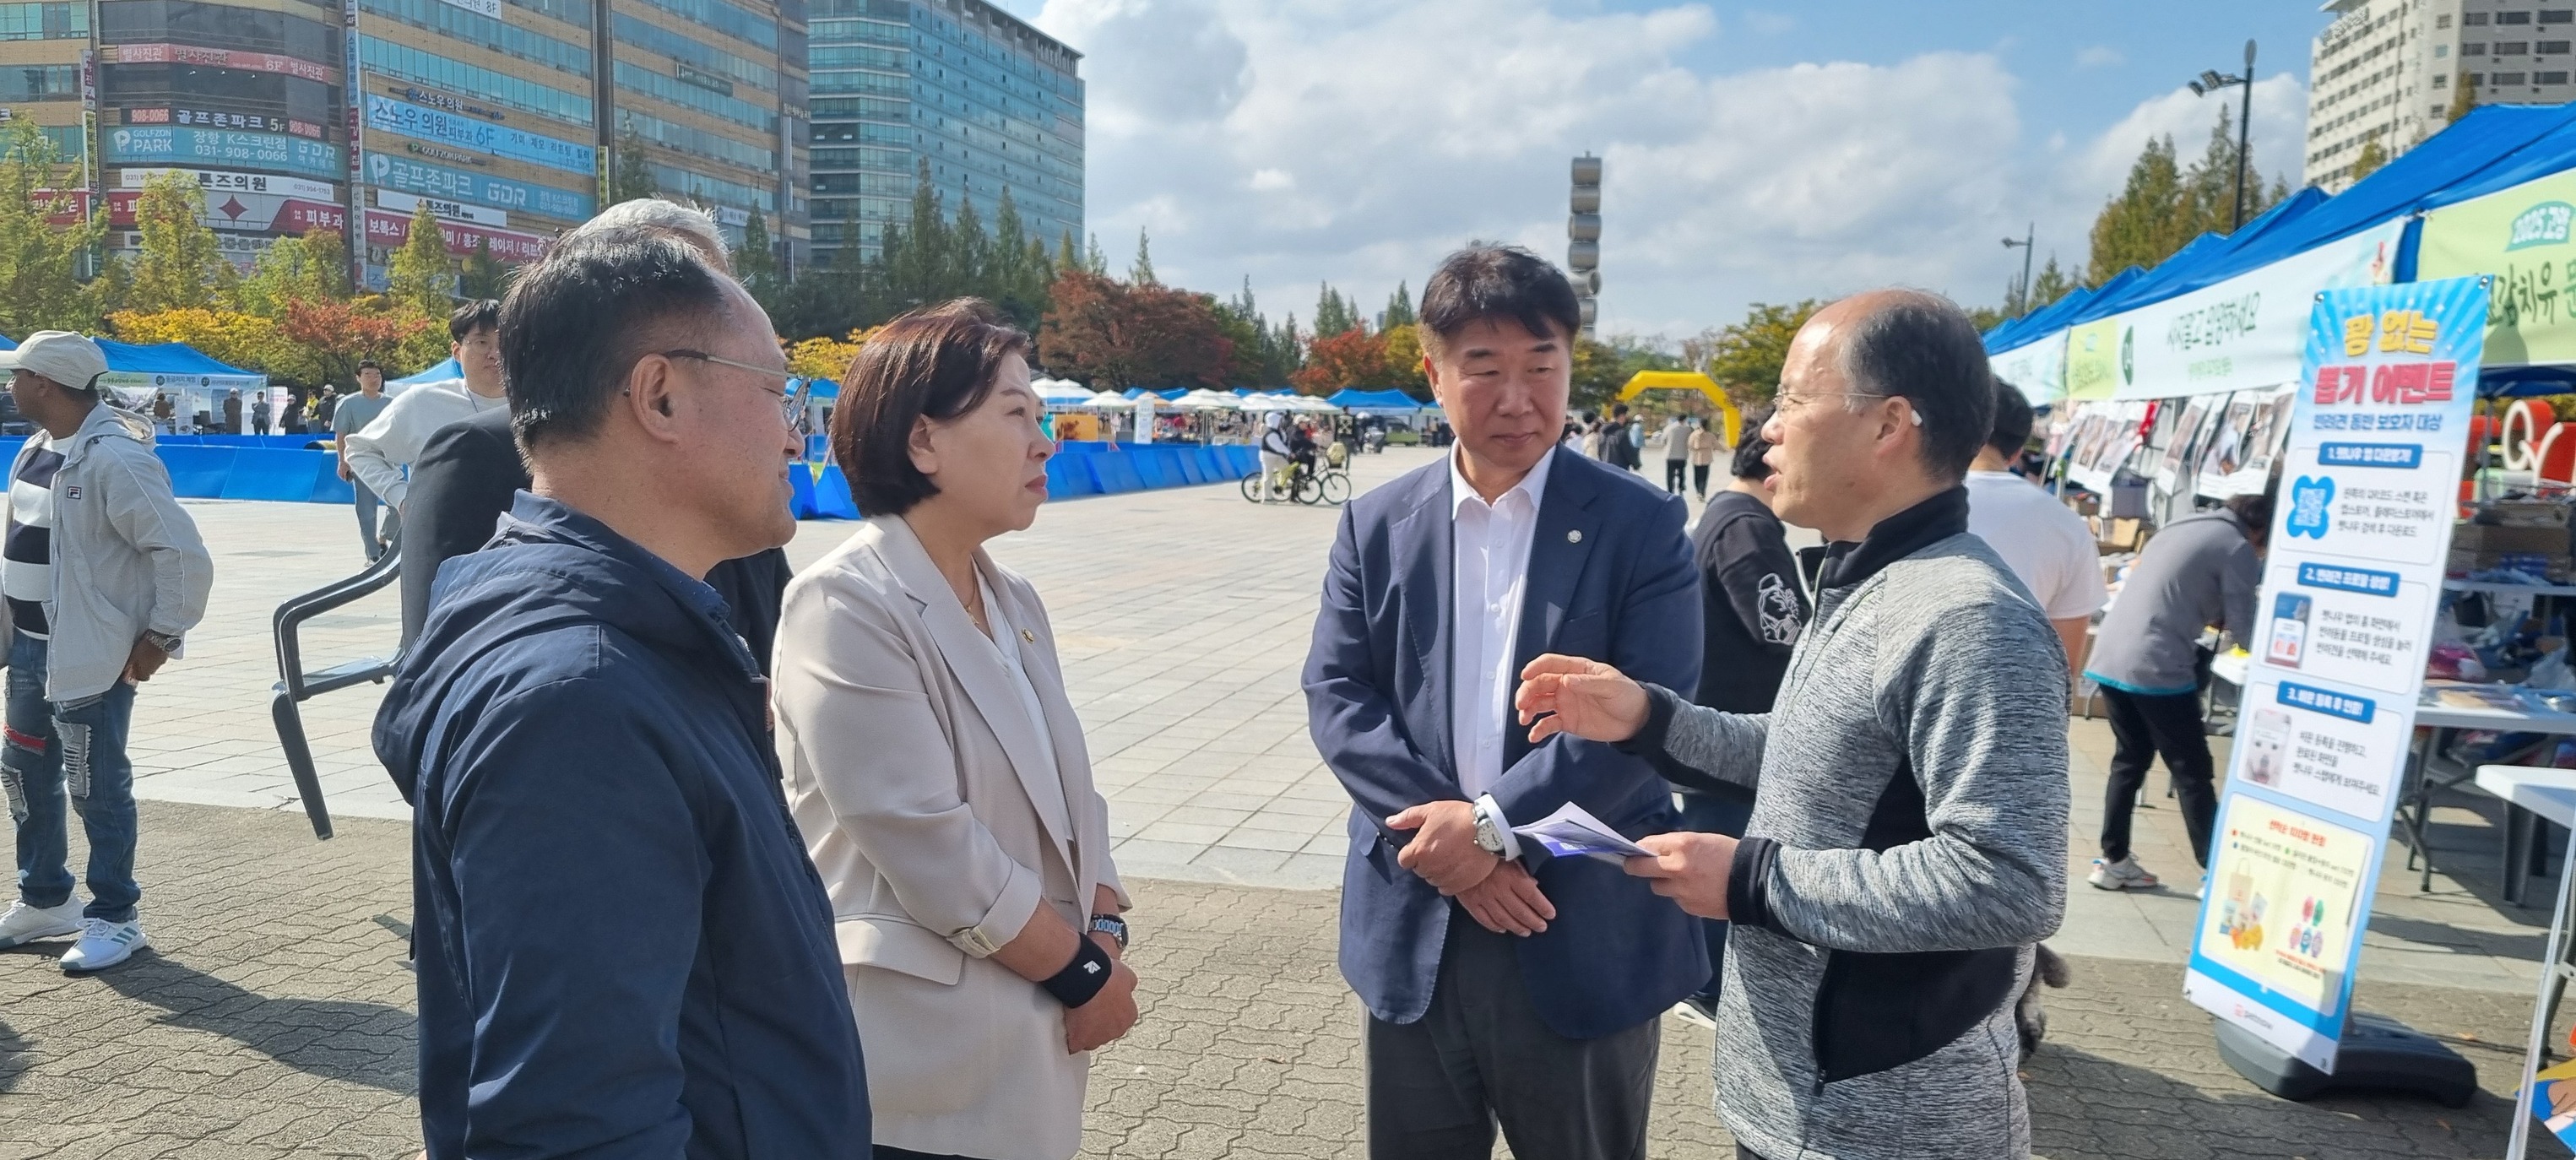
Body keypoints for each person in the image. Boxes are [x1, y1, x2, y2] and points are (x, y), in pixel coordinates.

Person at [1514, 290, 2067, 1160]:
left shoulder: (1969, 617)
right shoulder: (1865, 578)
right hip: (1798, 1099)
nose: (1767, 428)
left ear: (1889, 424)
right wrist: (1649, 718)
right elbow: (1811, 754)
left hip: (1887, 1118)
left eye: (1793, 399)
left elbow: (2010, 882)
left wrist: (1752, 880)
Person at [373, 230, 870, 1157]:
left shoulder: (629, 638)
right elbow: (575, 1125)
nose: (796, 433)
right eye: (777, 392)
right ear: (660, 394)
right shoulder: (579, 706)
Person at [1304, 245, 1704, 1160]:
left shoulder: (1640, 523)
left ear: (1569, 366)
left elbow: (1651, 711)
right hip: (1415, 914)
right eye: (1484, 369)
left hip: (1579, 919)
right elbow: (1339, 694)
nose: (1517, 398)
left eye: (1541, 367)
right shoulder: (1378, 522)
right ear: (1434, 375)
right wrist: (1450, 846)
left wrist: (1488, 829)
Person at [777, 300, 1136, 1160]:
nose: (1044, 443)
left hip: (1033, 1041)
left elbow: (1073, 799)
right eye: (1016, 414)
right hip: (918, 1073)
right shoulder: (845, 603)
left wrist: (1108, 927)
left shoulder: (1014, 599)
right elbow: (925, 838)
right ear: (922, 440)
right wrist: (1084, 971)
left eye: (1041, 416)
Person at [394, 201, 789, 653]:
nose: (705, 302)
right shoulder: (478, 454)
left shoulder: (743, 485)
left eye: (715, 287)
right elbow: (438, 652)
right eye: (663, 278)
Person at [0, 332, 213, 972]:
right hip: (31, 652)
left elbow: (182, 553)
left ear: (44, 383)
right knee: (23, 772)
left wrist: (161, 637)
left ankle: (117, 917)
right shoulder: (37, 448)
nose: (10, 385)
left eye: (18, 375)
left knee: (94, 785)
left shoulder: (116, 458)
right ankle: (46, 899)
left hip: (88, 656)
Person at [1668, 411, 1807, 1020]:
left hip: (1714, 721)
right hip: (1734, 729)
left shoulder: (1724, 516)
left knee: (1714, 847)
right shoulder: (1748, 527)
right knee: (1722, 855)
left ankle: (1701, 977)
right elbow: (1780, 629)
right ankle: (1705, 984)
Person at [2080, 487, 2270, 895]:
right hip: (2157, 665)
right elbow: (2245, 627)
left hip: (2111, 655)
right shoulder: (2236, 546)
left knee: (2129, 760)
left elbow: (2171, 591)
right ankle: (2216, 872)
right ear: (2261, 530)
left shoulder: (2179, 526)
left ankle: (2113, 861)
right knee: (2192, 771)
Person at [1966, 377, 2107, 678]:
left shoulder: (1903, 505)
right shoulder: (2067, 525)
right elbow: (2064, 664)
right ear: (2017, 452)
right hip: (2014, 694)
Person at [341, 301, 507, 520]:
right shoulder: (421, 402)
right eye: (482, 342)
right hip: (444, 533)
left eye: (505, 342)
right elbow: (360, 450)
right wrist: (402, 499)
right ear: (457, 351)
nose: (495, 354)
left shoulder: (536, 405)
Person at [333, 360, 394, 563]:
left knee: (398, 505)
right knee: (367, 512)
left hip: (387, 461)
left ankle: (384, 536)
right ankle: (373, 555)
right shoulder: (348, 404)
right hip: (361, 462)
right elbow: (341, 435)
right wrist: (342, 461)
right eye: (368, 375)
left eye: (377, 375)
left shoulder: (391, 403)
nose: (373, 379)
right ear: (358, 378)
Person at [1259, 411, 1295, 502]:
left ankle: (1280, 484)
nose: (1281, 422)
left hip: (1277, 456)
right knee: (1268, 476)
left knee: (1287, 468)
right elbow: (1279, 446)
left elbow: (1284, 440)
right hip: (1268, 457)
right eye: (1279, 420)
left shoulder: (1278, 431)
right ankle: (1267, 498)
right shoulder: (1271, 434)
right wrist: (1289, 453)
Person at [1688, 417, 1722, 500]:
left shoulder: (1694, 434)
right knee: (1704, 477)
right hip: (1706, 457)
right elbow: (1717, 445)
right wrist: (1724, 450)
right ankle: (1702, 492)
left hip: (1696, 457)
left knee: (1697, 476)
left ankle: (1698, 492)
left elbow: (1690, 444)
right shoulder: (1710, 435)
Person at [1658, 414, 1689, 495]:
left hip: (1670, 455)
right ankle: (1681, 487)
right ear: (1685, 419)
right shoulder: (1687, 429)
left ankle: (1670, 489)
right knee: (1681, 473)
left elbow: (1663, 439)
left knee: (1670, 474)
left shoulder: (1669, 428)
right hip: (1682, 455)